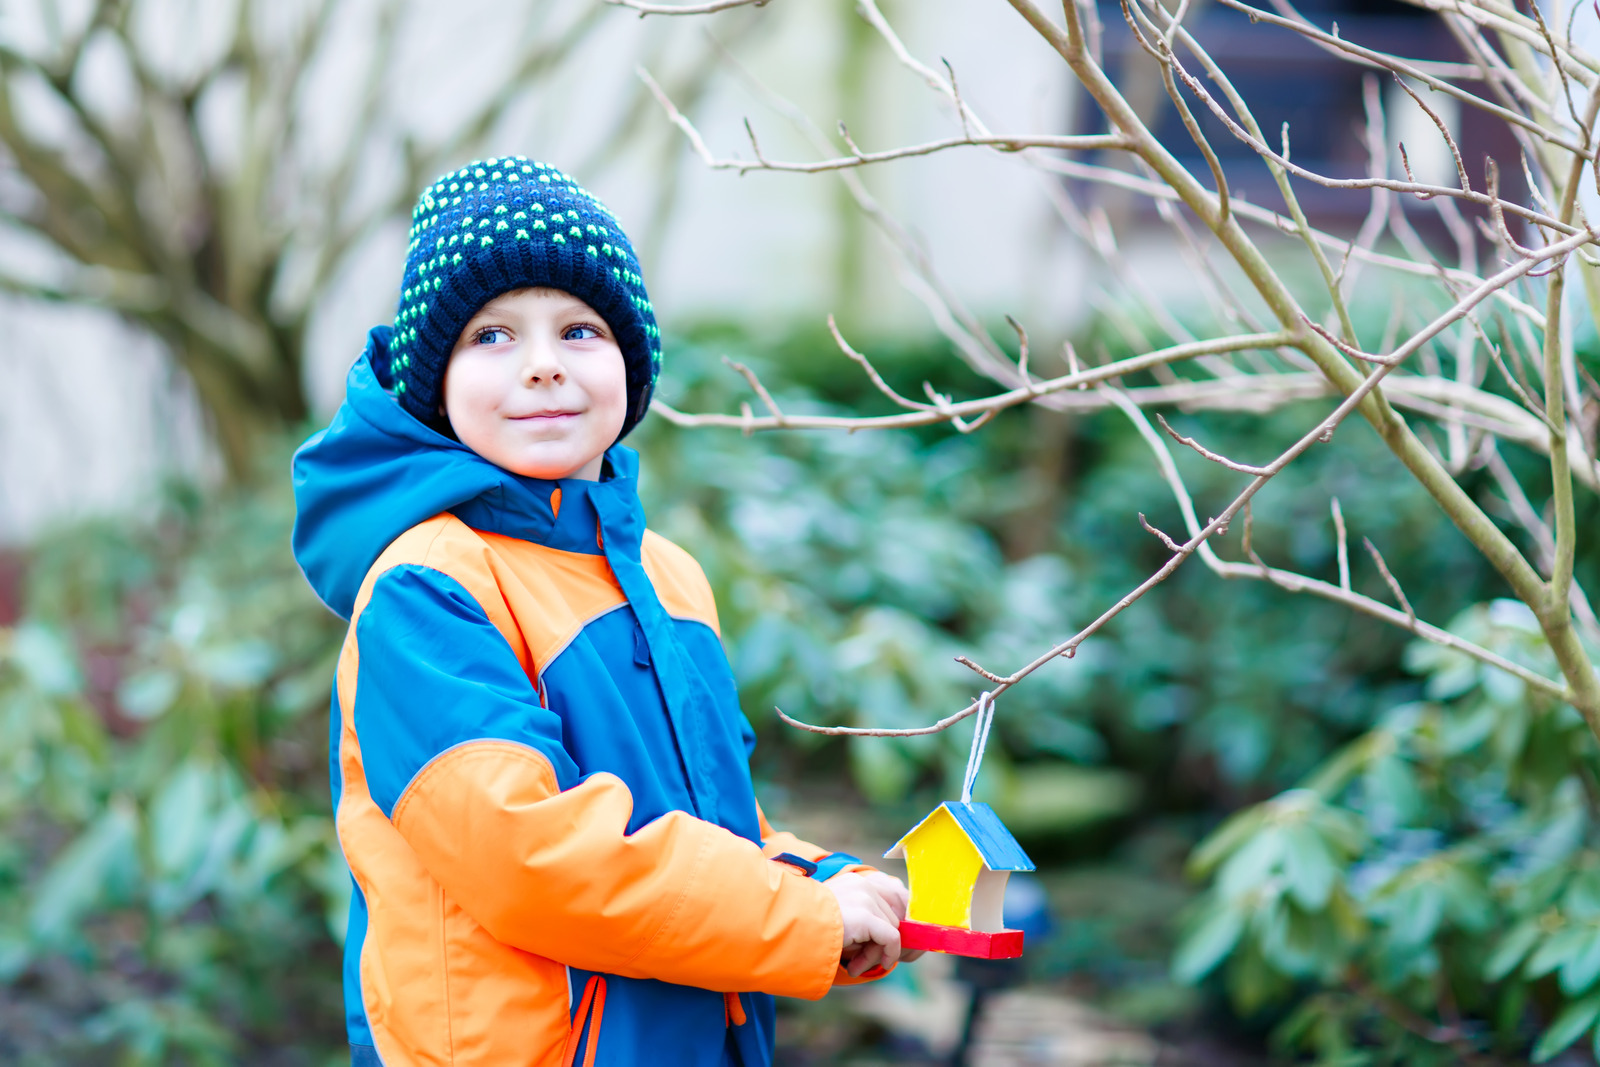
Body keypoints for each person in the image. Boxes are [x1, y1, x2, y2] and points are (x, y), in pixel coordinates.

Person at [292, 157, 915, 1067]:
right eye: (492, 338)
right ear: (436, 383)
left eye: (579, 329)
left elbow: (706, 827)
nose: (543, 366)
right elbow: (527, 859)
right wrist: (796, 916)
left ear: (632, 362)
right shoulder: (428, 589)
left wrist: (816, 879)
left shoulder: (668, 578)